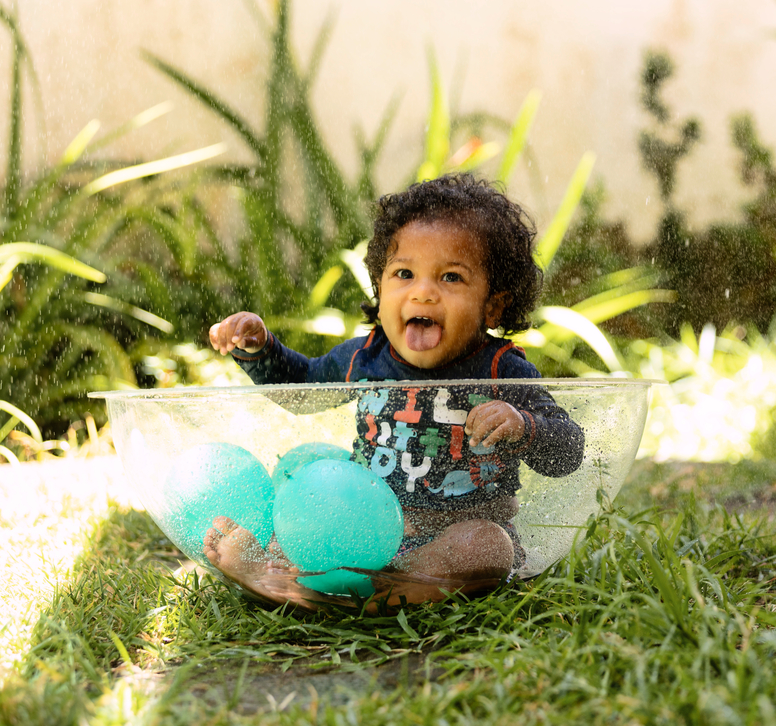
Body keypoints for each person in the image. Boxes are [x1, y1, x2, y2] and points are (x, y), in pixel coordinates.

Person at [204, 173, 584, 606]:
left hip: (450, 540)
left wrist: (524, 425)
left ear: (493, 304)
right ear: (379, 287)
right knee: (312, 502)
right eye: (404, 273)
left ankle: (377, 581)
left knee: (488, 546)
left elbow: (568, 451)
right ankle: (272, 566)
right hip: (362, 526)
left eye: (451, 278)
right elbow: (303, 390)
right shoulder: (367, 356)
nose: (423, 293)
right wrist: (259, 349)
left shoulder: (502, 369)